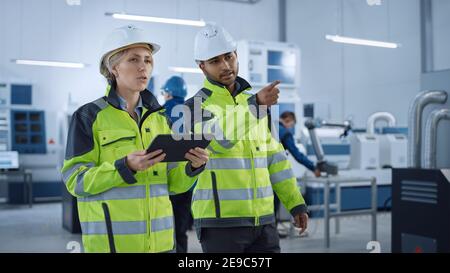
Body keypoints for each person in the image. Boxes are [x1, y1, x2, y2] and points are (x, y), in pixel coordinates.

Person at [61, 25, 209, 253]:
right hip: (113, 246)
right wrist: (124, 166)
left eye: (148, 60)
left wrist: (192, 167)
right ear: (113, 67)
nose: (143, 67)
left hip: (162, 245)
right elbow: (75, 181)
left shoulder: (160, 118)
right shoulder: (89, 117)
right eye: (133, 59)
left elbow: (173, 184)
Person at [183, 24, 308, 253]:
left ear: (236, 55)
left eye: (228, 57)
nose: (226, 66)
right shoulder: (193, 108)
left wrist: (295, 202)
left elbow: (275, 159)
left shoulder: (256, 104)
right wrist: (256, 106)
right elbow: (218, 141)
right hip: (220, 224)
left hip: (264, 223)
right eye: (215, 61)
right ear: (202, 67)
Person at [161, 76, 193, 253]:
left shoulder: (160, 113)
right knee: (181, 229)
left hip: (168, 180)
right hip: (189, 178)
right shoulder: (192, 112)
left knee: (166, 229)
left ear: (169, 93)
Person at [275, 111, 320, 237]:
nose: (291, 127)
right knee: (274, 204)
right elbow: (297, 155)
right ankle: (272, 233)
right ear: (288, 119)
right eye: (292, 124)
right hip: (275, 174)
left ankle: (271, 231)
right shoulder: (284, 132)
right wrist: (313, 167)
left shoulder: (269, 127)